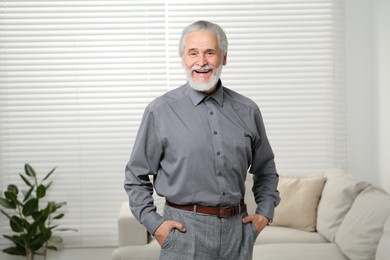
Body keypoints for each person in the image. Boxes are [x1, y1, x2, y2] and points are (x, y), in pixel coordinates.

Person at [124, 20, 280, 260]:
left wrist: (265, 213)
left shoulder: (248, 110)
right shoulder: (160, 111)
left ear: (224, 58)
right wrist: (155, 224)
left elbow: (266, 169)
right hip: (184, 232)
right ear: (183, 60)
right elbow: (135, 176)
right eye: (193, 53)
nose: (202, 62)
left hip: (237, 234)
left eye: (210, 52)